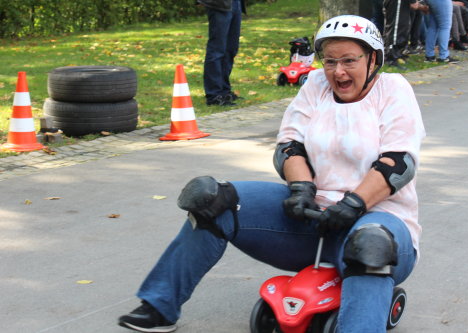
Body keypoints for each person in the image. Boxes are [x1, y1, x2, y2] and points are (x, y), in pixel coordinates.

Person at [118, 15, 426, 333]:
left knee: (370, 243)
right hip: (314, 222)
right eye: (330, 61)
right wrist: (302, 188)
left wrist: (354, 204)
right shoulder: (316, 84)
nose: (338, 72)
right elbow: (289, 147)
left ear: (373, 58)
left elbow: (398, 163)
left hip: (379, 221)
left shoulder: (393, 89)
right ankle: (159, 305)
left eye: (349, 60)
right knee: (212, 199)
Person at [198, 0, 246, 106]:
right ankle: (214, 95)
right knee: (216, 50)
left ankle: (224, 91)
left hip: (235, 3)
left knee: (231, 49)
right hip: (219, 3)